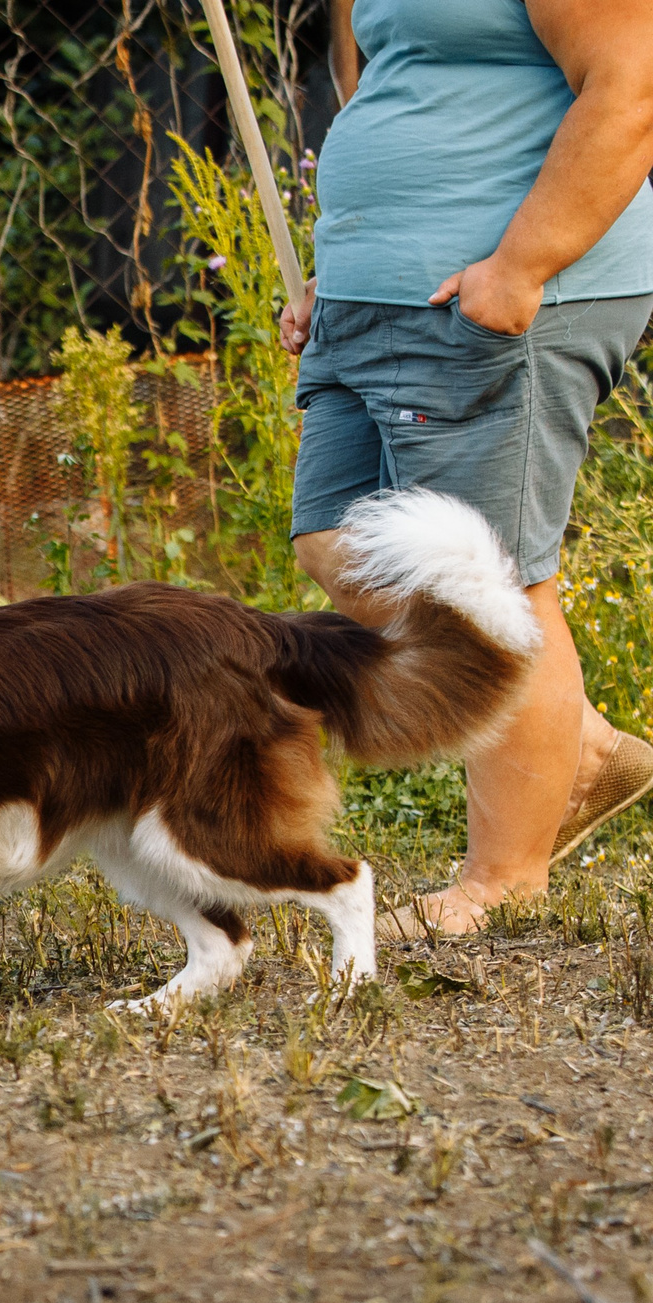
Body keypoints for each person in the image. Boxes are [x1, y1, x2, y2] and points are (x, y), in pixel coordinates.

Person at [279, 0, 653, 938]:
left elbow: (633, 84)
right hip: (373, 296)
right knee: (335, 541)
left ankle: (505, 878)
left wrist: (522, 265)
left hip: (494, 293)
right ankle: (577, 745)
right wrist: (348, 257)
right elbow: (405, 87)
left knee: (498, 583)